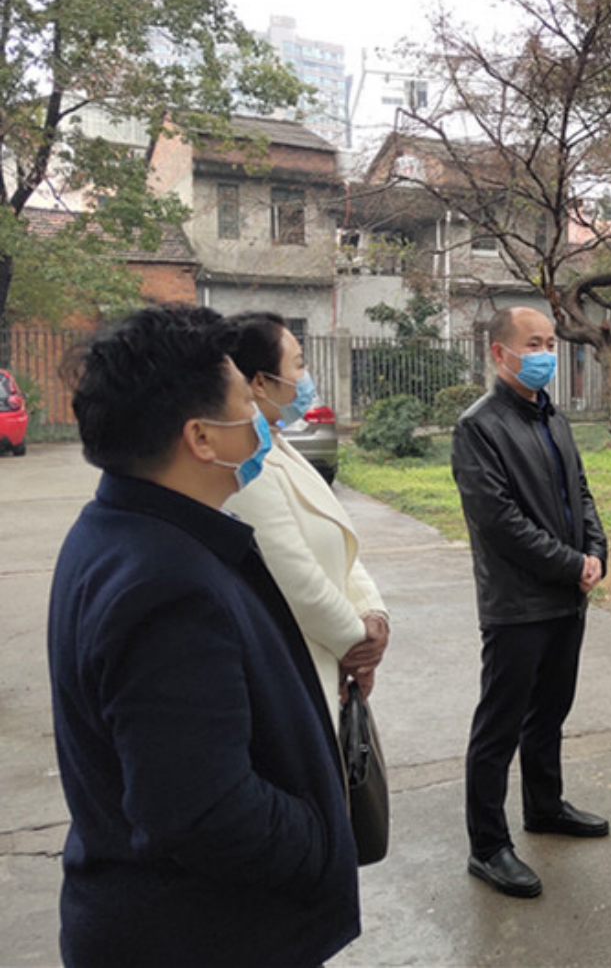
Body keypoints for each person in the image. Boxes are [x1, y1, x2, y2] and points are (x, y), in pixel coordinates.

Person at [47, 306, 359, 966]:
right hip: (201, 935)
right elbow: (202, 810)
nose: (258, 418)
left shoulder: (122, 529)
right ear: (201, 438)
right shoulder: (164, 584)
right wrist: (318, 840)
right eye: (245, 402)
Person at [451, 306, 609, 899]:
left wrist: (595, 549)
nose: (546, 354)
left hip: (567, 597)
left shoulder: (553, 416)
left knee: (550, 713)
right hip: (517, 604)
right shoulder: (479, 427)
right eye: (533, 344)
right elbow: (499, 521)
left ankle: (545, 805)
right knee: (500, 725)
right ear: (500, 353)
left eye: (550, 343)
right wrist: (571, 563)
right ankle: (488, 846)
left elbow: (580, 493)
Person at [224, 311, 390, 721]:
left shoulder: (278, 443)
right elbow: (294, 575)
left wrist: (372, 611)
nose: (306, 377)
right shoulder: (246, 466)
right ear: (259, 383)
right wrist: (355, 643)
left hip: (326, 659)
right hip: (295, 666)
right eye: (298, 365)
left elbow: (337, 543)